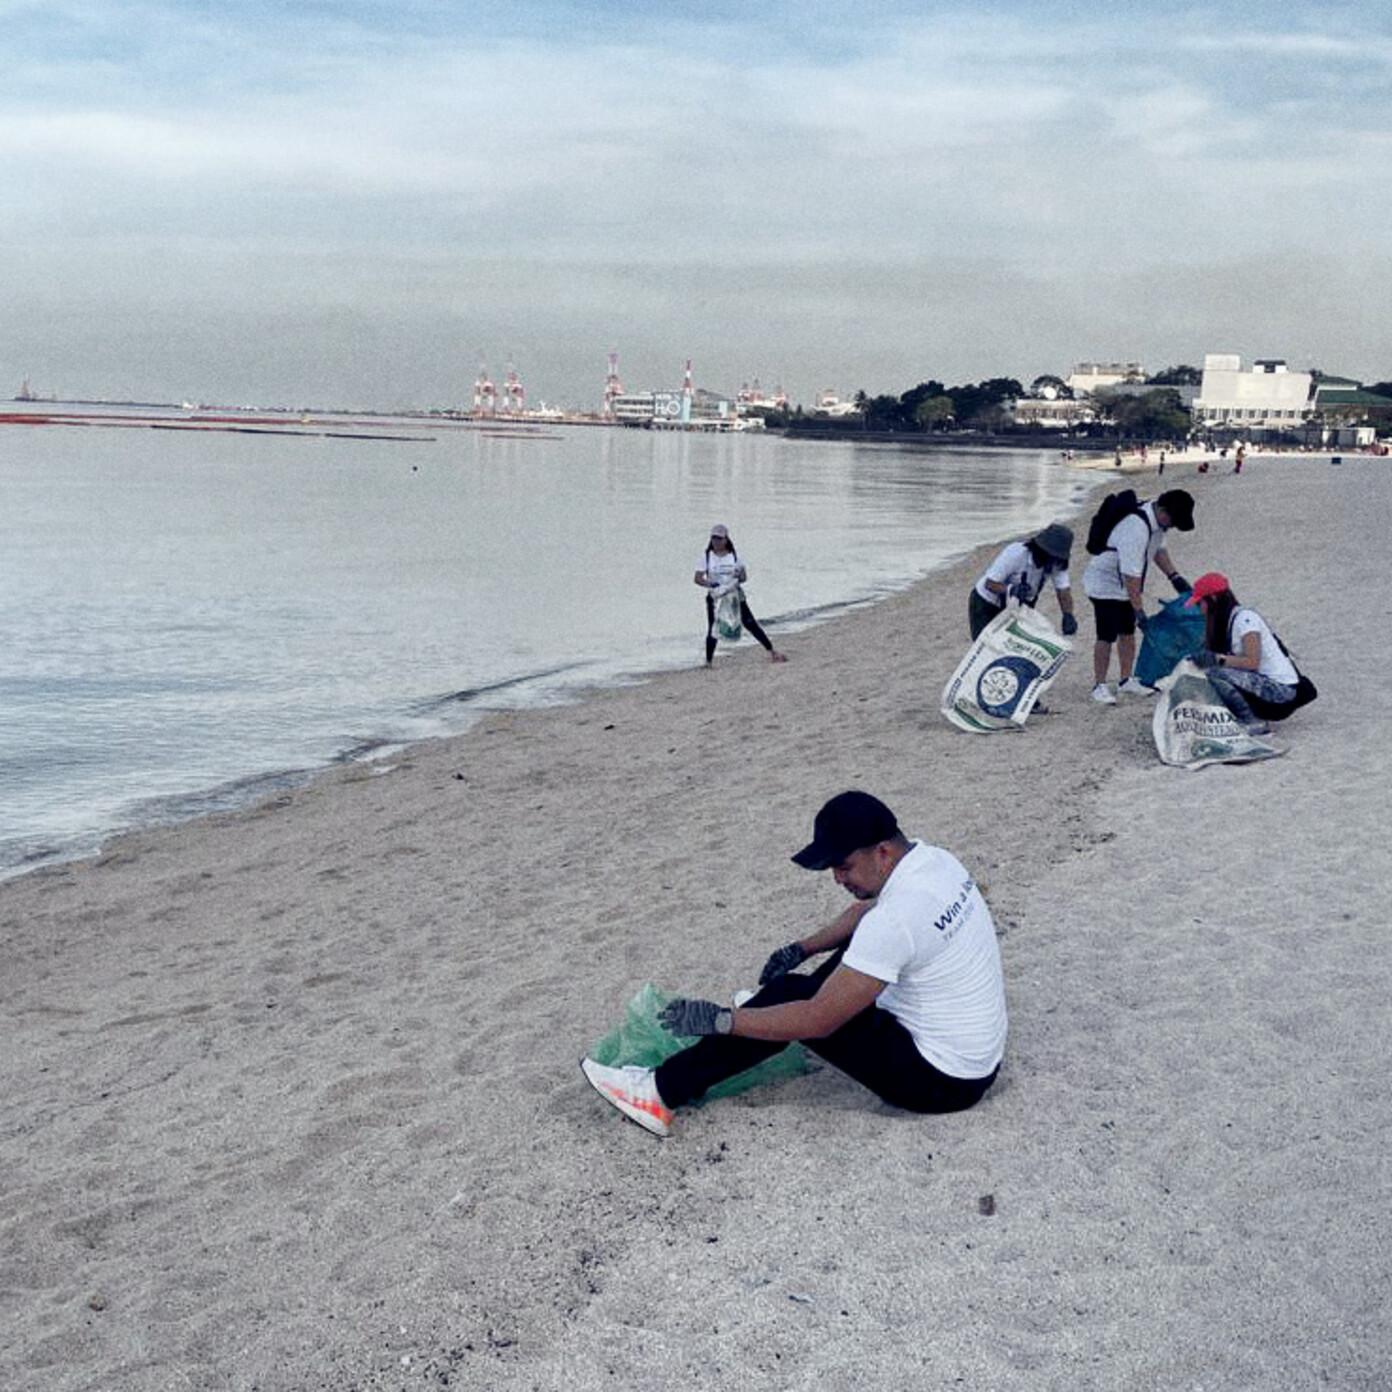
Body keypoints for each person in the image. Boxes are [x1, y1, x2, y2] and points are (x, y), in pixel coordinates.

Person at [580, 791, 1008, 1138]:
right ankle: (761, 1018)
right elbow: (870, 916)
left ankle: (657, 1092)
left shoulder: (896, 922)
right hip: (978, 1060)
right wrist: (802, 948)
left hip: (941, 1083)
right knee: (844, 960)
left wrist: (720, 1020)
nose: (838, 879)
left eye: (843, 866)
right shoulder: (933, 862)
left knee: (792, 997)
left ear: (881, 852)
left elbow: (818, 1020)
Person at [1082, 489, 1195, 704]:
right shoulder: (1136, 527)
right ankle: (1099, 685)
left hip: (1126, 586)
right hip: (1105, 584)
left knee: (1127, 631)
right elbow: (1130, 573)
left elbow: (1158, 551)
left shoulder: (1159, 524)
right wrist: (1139, 609)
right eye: (1172, 520)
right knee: (1106, 634)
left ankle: (1126, 680)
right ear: (1162, 510)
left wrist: (1175, 577)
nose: (1171, 526)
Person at [1184, 572, 1298, 734]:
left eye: (1200, 603)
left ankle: (1253, 722)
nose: (1200, 609)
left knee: (1213, 672)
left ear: (1213, 599)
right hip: (1263, 685)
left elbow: (1252, 662)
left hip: (1281, 692)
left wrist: (1217, 659)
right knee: (1203, 670)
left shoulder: (1245, 619)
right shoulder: (1224, 621)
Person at [695, 524, 786, 666]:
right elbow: (698, 578)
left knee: (749, 623)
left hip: (734, 596)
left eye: (719, 538)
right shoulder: (706, 556)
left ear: (726, 539)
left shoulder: (734, 556)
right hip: (715, 597)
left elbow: (744, 577)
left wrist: (739, 575)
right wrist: (711, 584)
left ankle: (771, 651)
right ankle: (708, 661)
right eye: (713, 538)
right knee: (714, 627)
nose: (716, 542)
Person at [968, 522, 1077, 640]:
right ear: (1040, 550)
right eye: (1050, 557)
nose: (1052, 563)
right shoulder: (1015, 554)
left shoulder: (1056, 562)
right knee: (986, 644)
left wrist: (1068, 614)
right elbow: (990, 583)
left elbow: (1063, 591)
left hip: (1020, 605)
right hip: (986, 602)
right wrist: (1011, 590)